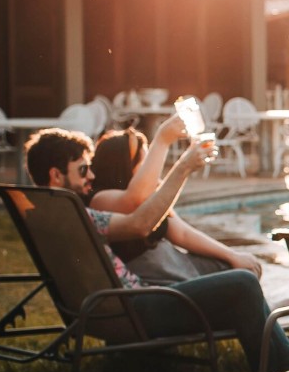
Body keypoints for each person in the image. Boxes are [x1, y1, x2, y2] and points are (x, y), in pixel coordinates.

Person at [23, 127, 289, 372]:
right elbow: (140, 223)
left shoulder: (44, 216)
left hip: (115, 307)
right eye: (83, 170)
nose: (92, 176)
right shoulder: (78, 217)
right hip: (134, 310)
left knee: (235, 279)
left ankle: (282, 363)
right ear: (56, 175)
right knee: (242, 283)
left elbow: (156, 223)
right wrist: (181, 168)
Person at [91, 120, 263, 284]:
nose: (152, 169)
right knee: (242, 281)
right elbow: (133, 200)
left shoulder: (147, 198)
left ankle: (267, 311)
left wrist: (232, 255)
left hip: (177, 266)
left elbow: (183, 234)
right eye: (145, 163)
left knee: (242, 268)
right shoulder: (100, 200)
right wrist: (165, 142)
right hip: (163, 280)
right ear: (120, 167)